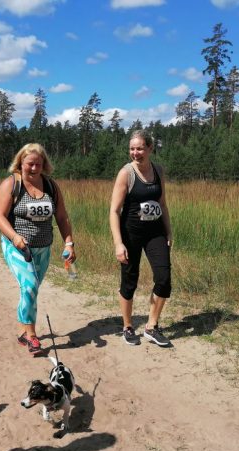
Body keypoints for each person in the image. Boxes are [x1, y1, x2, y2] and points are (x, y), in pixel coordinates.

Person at [0, 143, 75, 355]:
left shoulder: (50, 186)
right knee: (29, 286)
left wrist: (69, 243)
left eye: (38, 164)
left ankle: (23, 329)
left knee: (31, 289)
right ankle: (31, 335)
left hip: (43, 248)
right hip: (17, 247)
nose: (33, 168)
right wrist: (15, 237)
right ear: (20, 162)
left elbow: (62, 217)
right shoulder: (11, 184)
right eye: (30, 164)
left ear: (44, 164)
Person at [109, 130, 173, 347]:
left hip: (155, 232)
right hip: (131, 233)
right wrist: (118, 243)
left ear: (150, 148)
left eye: (140, 148)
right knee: (129, 281)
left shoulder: (158, 171)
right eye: (132, 149)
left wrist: (169, 231)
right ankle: (127, 326)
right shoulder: (126, 173)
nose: (135, 153)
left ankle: (151, 326)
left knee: (164, 278)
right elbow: (114, 211)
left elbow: (162, 204)